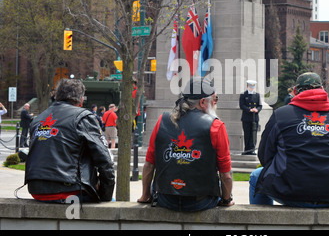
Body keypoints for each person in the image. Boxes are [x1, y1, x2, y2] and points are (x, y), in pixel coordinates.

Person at [250, 72, 329, 207]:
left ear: (295, 91)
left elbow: (264, 155)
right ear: (322, 89)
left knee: (256, 176)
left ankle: (262, 224)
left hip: (290, 192)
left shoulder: (281, 115)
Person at [138, 77, 234, 211]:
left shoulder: (163, 120)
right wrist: (226, 199)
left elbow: (149, 164)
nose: (216, 103)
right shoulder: (216, 126)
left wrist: (145, 195)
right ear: (202, 102)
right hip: (201, 202)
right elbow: (226, 175)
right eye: (215, 99)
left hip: (165, 199)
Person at [24, 78, 115, 203]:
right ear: (81, 100)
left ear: (56, 96)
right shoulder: (83, 117)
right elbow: (104, 161)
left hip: (36, 190)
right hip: (68, 189)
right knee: (112, 203)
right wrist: (105, 196)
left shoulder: (38, 119)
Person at [239, 80, 262, 155]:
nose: (252, 88)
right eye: (250, 87)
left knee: (253, 134)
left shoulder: (257, 95)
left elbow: (260, 105)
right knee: (247, 134)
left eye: (253, 87)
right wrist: (249, 109)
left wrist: (257, 110)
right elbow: (241, 105)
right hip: (246, 117)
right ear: (247, 86)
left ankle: (252, 149)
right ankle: (247, 149)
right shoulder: (243, 95)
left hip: (254, 117)